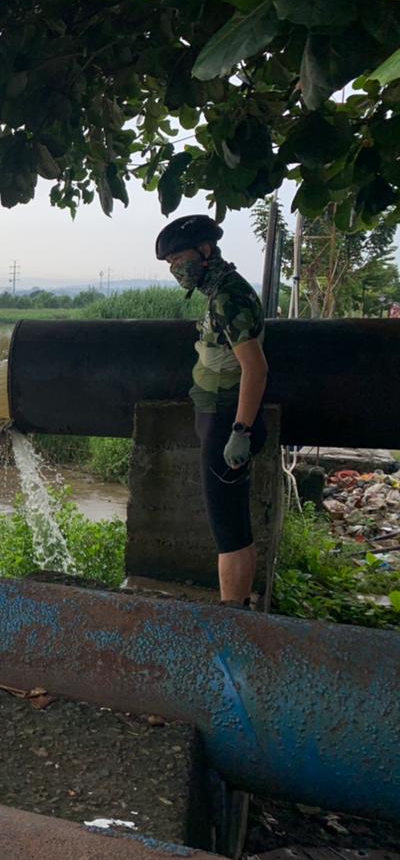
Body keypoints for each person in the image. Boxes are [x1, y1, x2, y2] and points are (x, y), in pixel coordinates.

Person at [155, 215, 269, 607]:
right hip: (219, 418)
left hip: (226, 420)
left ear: (205, 251)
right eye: (169, 264)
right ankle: (239, 609)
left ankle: (232, 619)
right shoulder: (220, 290)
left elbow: (255, 367)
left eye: (178, 259)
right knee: (233, 522)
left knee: (228, 530)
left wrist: (241, 430)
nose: (175, 269)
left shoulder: (228, 297)